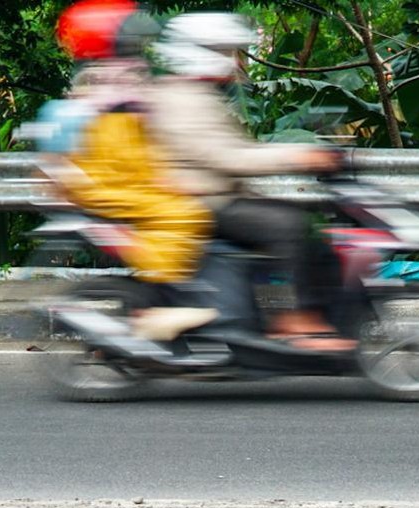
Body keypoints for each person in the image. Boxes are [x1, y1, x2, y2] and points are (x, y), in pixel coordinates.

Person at [148, 12, 357, 351]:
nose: (231, 61)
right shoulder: (181, 99)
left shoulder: (197, 95)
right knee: (284, 224)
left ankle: (298, 311)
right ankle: (286, 319)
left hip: (215, 196)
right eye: (224, 51)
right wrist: (297, 156)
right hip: (201, 203)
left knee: (299, 229)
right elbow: (227, 157)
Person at [48, 0, 218, 341]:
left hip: (126, 177)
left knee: (188, 207)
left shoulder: (118, 74)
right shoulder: (98, 84)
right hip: (108, 182)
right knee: (182, 215)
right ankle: (160, 309)